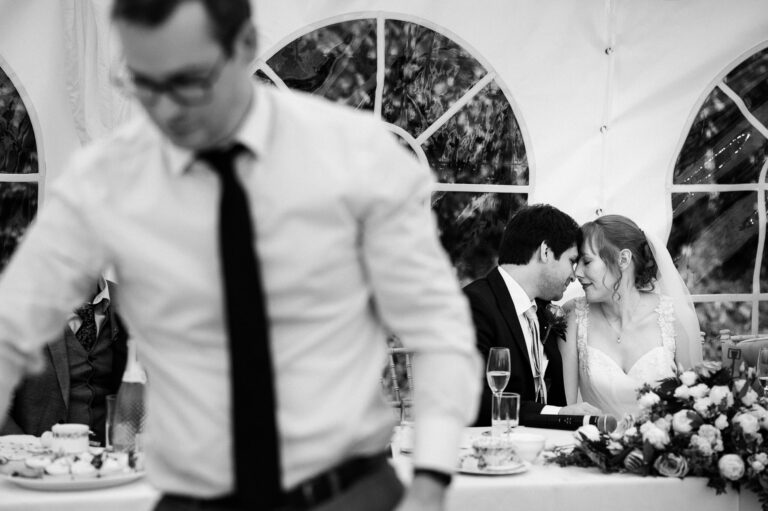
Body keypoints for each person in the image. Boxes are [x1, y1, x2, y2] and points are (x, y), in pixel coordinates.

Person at [0, 1, 481, 510]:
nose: (164, 109)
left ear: (245, 46)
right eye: (143, 83)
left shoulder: (354, 156)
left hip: (347, 493)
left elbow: (437, 329)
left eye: (188, 81)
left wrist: (430, 481)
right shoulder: (106, 180)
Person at [464, 204, 601, 427]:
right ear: (545, 251)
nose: (575, 275)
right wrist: (556, 413)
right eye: (571, 261)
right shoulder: (473, 305)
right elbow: (473, 400)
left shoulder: (544, 311)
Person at [560, 214, 703, 418]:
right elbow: (565, 411)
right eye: (576, 263)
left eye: (586, 261)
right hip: (592, 445)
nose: (577, 273)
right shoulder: (574, 316)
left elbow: (694, 408)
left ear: (624, 259)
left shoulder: (675, 319)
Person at [1, 276, 127, 446]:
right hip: (38, 461)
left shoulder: (128, 300)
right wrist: (27, 451)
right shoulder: (18, 303)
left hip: (110, 463)